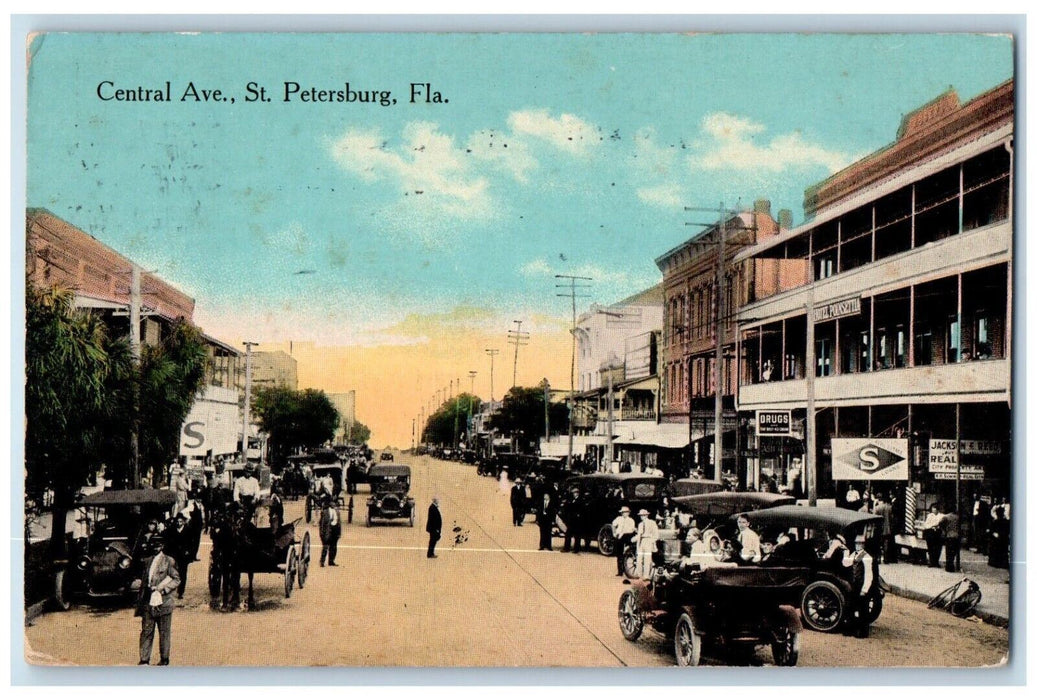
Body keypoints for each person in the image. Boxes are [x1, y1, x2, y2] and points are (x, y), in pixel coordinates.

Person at [136, 534, 180, 666]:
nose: (155, 546)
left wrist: (164, 590)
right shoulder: (147, 561)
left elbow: (177, 579)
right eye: (153, 544)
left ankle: (164, 659)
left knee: (164, 632)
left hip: (164, 601)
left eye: (158, 544)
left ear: (162, 546)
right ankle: (144, 659)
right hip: (148, 600)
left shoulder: (169, 561)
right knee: (146, 631)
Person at [841, 535, 875, 638]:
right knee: (850, 607)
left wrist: (865, 589)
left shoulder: (867, 557)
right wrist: (846, 552)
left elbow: (869, 575)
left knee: (863, 610)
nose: (858, 545)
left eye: (860, 543)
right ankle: (851, 630)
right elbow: (846, 563)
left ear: (863, 545)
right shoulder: (854, 554)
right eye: (856, 543)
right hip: (854, 585)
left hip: (862, 585)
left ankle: (863, 633)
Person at [166, 513, 193, 599]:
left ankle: (181, 591)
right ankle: (171, 589)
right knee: (172, 572)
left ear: (184, 522)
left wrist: (188, 552)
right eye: (177, 521)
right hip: (174, 554)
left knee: (183, 573)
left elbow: (191, 543)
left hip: (183, 555)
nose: (179, 523)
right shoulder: (172, 530)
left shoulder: (188, 530)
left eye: (181, 521)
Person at [611, 506, 636, 576]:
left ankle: (626, 569)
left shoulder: (631, 520)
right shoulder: (619, 519)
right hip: (619, 536)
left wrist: (624, 533)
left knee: (626, 552)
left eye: (626, 512)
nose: (624, 514)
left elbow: (631, 530)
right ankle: (620, 571)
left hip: (627, 536)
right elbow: (613, 525)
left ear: (628, 513)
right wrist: (614, 533)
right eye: (623, 512)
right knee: (619, 554)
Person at [634, 509, 659, 579]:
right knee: (639, 559)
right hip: (642, 541)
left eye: (643, 515)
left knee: (647, 559)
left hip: (648, 541)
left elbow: (656, 534)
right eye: (641, 515)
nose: (642, 517)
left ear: (647, 515)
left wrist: (652, 541)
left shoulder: (652, 523)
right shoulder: (640, 524)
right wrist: (637, 545)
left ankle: (646, 575)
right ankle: (639, 575)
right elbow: (639, 535)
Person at [873, 493, 896, 564]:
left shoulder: (877, 508)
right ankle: (886, 559)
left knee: (878, 544)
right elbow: (892, 518)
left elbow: (874, 518)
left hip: (879, 528)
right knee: (886, 544)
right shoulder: (889, 507)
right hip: (887, 528)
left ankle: (878, 559)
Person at [319, 497, 341, 567]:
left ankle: (331, 561)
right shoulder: (325, 512)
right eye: (332, 503)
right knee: (325, 547)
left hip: (335, 530)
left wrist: (339, 533)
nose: (334, 504)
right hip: (327, 530)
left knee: (333, 547)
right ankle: (322, 561)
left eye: (334, 503)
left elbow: (339, 523)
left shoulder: (337, 511)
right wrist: (322, 533)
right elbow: (322, 524)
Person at [922, 504, 944, 568]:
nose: (933, 510)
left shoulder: (941, 516)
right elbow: (926, 524)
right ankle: (931, 562)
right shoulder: (929, 516)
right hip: (931, 532)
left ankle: (936, 562)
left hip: (938, 532)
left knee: (938, 548)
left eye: (934, 508)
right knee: (931, 547)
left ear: (937, 509)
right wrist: (932, 526)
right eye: (932, 508)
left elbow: (941, 524)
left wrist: (936, 525)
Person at [941, 507, 961, 573]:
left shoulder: (946, 517)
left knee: (948, 552)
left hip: (949, 535)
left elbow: (941, 524)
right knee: (953, 552)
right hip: (956, 536)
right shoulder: (958, 517)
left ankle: (949, 566)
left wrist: (945, 530)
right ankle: (951, 565)